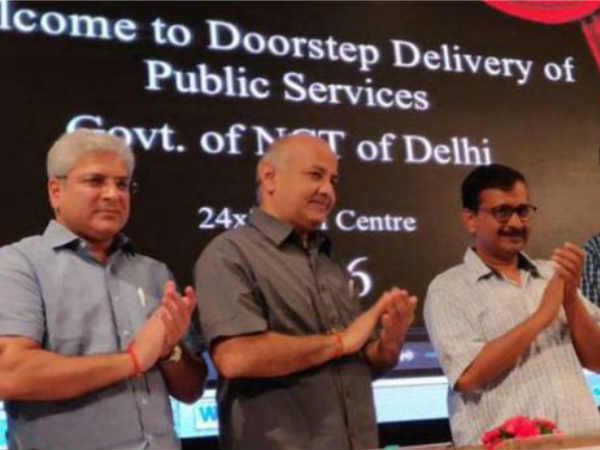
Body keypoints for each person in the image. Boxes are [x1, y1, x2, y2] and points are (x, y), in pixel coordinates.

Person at [194, 134, 417, 450]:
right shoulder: (229, 254)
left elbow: (355, 367)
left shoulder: (329, 262)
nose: (327, 190)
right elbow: (236, 356)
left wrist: (389, 345)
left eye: (333, 180)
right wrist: (339, 343)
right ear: (269, 178)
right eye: (315, 175)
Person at [0, 129, 207, 450]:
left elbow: (191, 391)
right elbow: (10, 374)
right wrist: (133, 360)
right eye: (95, 181)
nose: (113, 195)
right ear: (56, 191)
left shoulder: (153, 272)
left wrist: (170, 352)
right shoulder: (18, 264)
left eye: (122, 185)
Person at [424, 164, 600, 446]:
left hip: (583, 442)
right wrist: (543, 316)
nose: (516, 223)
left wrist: (569, 299)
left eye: (523, 211)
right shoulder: (448, 289)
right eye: (502, 212)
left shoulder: (552, 276)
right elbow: (467, 376)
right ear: (471, 220)